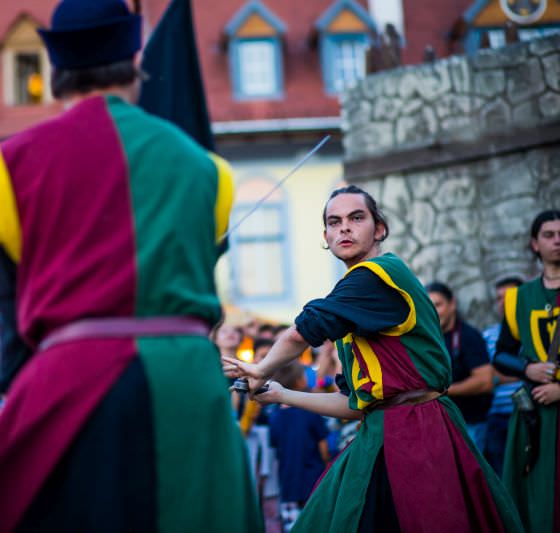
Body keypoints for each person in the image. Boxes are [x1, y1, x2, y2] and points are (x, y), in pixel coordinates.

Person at [0, 1, 261, 531]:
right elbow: (204, 299)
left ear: (55, 72)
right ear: (136, 60)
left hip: (72, 385)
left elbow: (12, 327)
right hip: (190, 390)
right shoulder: (207, 171)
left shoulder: (6, 169)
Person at [224, 185, 522, 532]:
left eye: (356, 218)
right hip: (383, 432)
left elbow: (302, 331)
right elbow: (356, 405)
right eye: (334, 222)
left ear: (379, 228)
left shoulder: (377, 275)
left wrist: (260, 368)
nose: (344, 228)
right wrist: (280, 394)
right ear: (326, 236)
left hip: (417, 431)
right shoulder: (357, 310)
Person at [493, 209, 560, 532]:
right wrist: (528, 369)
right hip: (537, 414)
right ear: (535, 244)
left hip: (555, 397)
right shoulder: (519, 298)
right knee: (536, 498)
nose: (557, 240)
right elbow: (501, 356)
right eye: (548, 235)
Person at [426, 281, 494, 450]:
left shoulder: (469, 336)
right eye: (429, 306)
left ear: (453, 304)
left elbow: (486, 381)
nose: (433, 311)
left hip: (471, 424)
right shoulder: (428, 338)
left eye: (438, 305)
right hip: (440, 425)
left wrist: (442, 392)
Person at [268, 362, 329, 531]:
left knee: (293, 527)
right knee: (317, 524)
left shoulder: (275, 416)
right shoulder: (310, 410)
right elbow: (323, 446)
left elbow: (275, 446)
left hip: (288, 482)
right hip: (314, 478)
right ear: (297, 382)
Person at [482, 276, 524, 476]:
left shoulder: (534, 331)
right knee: (501, 476)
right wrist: (525, 370)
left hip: (529, 411)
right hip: (497, 416)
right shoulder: (488, 335)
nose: (503, 303)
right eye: (499, 298)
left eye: (509, 297)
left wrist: (500, 373)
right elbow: (485, 376)